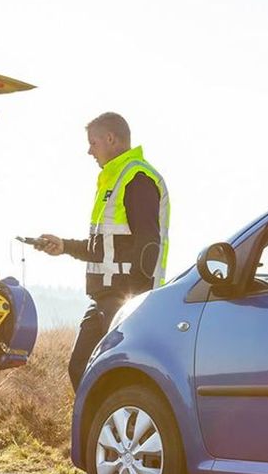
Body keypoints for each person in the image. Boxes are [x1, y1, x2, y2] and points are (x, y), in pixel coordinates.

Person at [36, 112, 170, 392]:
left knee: (118, 376)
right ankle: (95, 432)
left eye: (93, 142)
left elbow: (149, 244)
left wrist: (136, 303)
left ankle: (123, 431)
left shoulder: (138, 178)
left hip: (126, 300)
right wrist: (64, 246)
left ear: (111, 139)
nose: (89, 150)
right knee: (80, 368)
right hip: (103, 298)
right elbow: (103, 248)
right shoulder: (110, 182)